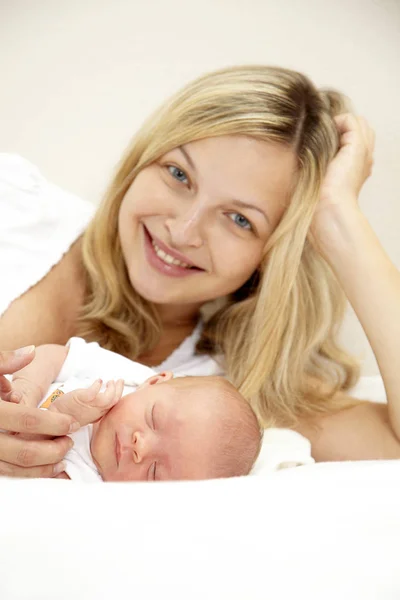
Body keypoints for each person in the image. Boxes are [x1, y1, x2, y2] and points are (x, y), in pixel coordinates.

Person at [1, 64, 399, 476]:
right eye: (179, 174)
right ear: (144, 157)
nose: (183, 231)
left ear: (273, 252)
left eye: (240, 219)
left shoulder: (225, 396)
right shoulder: (16, 207)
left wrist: (339, 216)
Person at [4, 338, 262, 482]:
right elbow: (55, 356)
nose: (141, 447)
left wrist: (62, 416)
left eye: (154, 473)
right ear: (155, 381)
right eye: (153, 419)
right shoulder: (131, 379)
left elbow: (25, 471)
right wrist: (27, 388)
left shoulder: (90, 483)